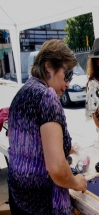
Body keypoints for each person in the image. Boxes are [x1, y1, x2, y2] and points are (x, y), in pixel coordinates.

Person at [7, 39, 87, 214]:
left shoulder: (22, 92)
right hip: (43, 206)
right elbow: (57, 168)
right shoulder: (46, 96)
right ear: (49, 67)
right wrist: (76, 182)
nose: (67, 84)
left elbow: (33, 145)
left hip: (19, 199)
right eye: (67, 75)